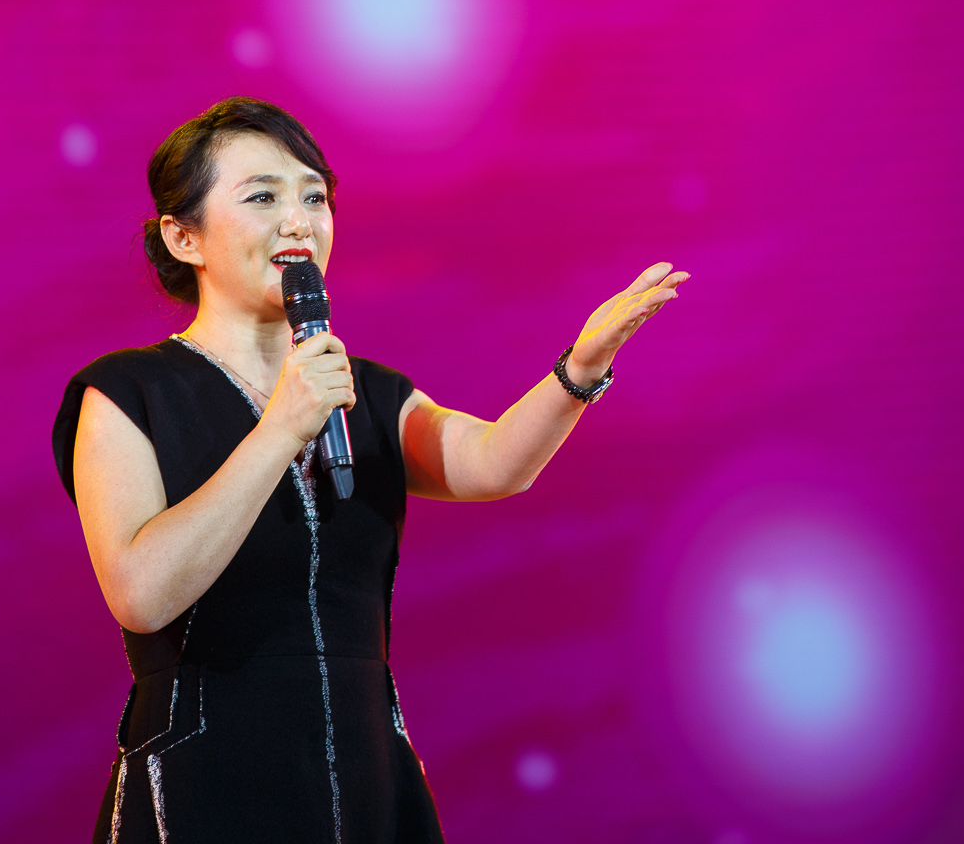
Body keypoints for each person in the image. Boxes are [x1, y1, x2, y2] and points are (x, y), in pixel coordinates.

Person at [53, 97, 688, 844]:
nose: (299, 221)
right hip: (205, 776)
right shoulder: (128, 394)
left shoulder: (366, 391)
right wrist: (281, 428)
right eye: (262, 197)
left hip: (365, 773)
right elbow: (142, 592)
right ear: (182, 236)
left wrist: (579, 369)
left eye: (313, 197)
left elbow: (492, 463)